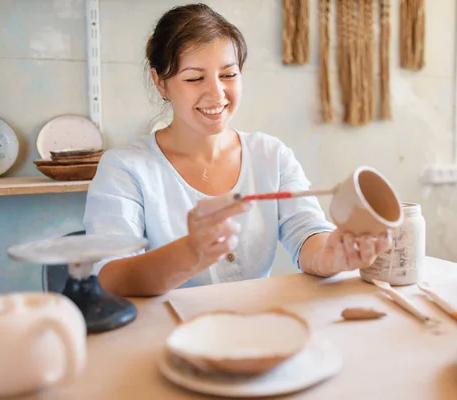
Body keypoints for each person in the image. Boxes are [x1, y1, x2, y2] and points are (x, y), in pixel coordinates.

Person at [83, 3, 392, 297]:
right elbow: (110, 278)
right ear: (160, 83)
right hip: (165, 338)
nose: (217, 93)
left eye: (228, 74)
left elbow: (307, 233)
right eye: (194, 78)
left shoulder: (271, 155)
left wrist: (333, 255)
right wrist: (190, 252)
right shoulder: (124, 168)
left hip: (253, 332)